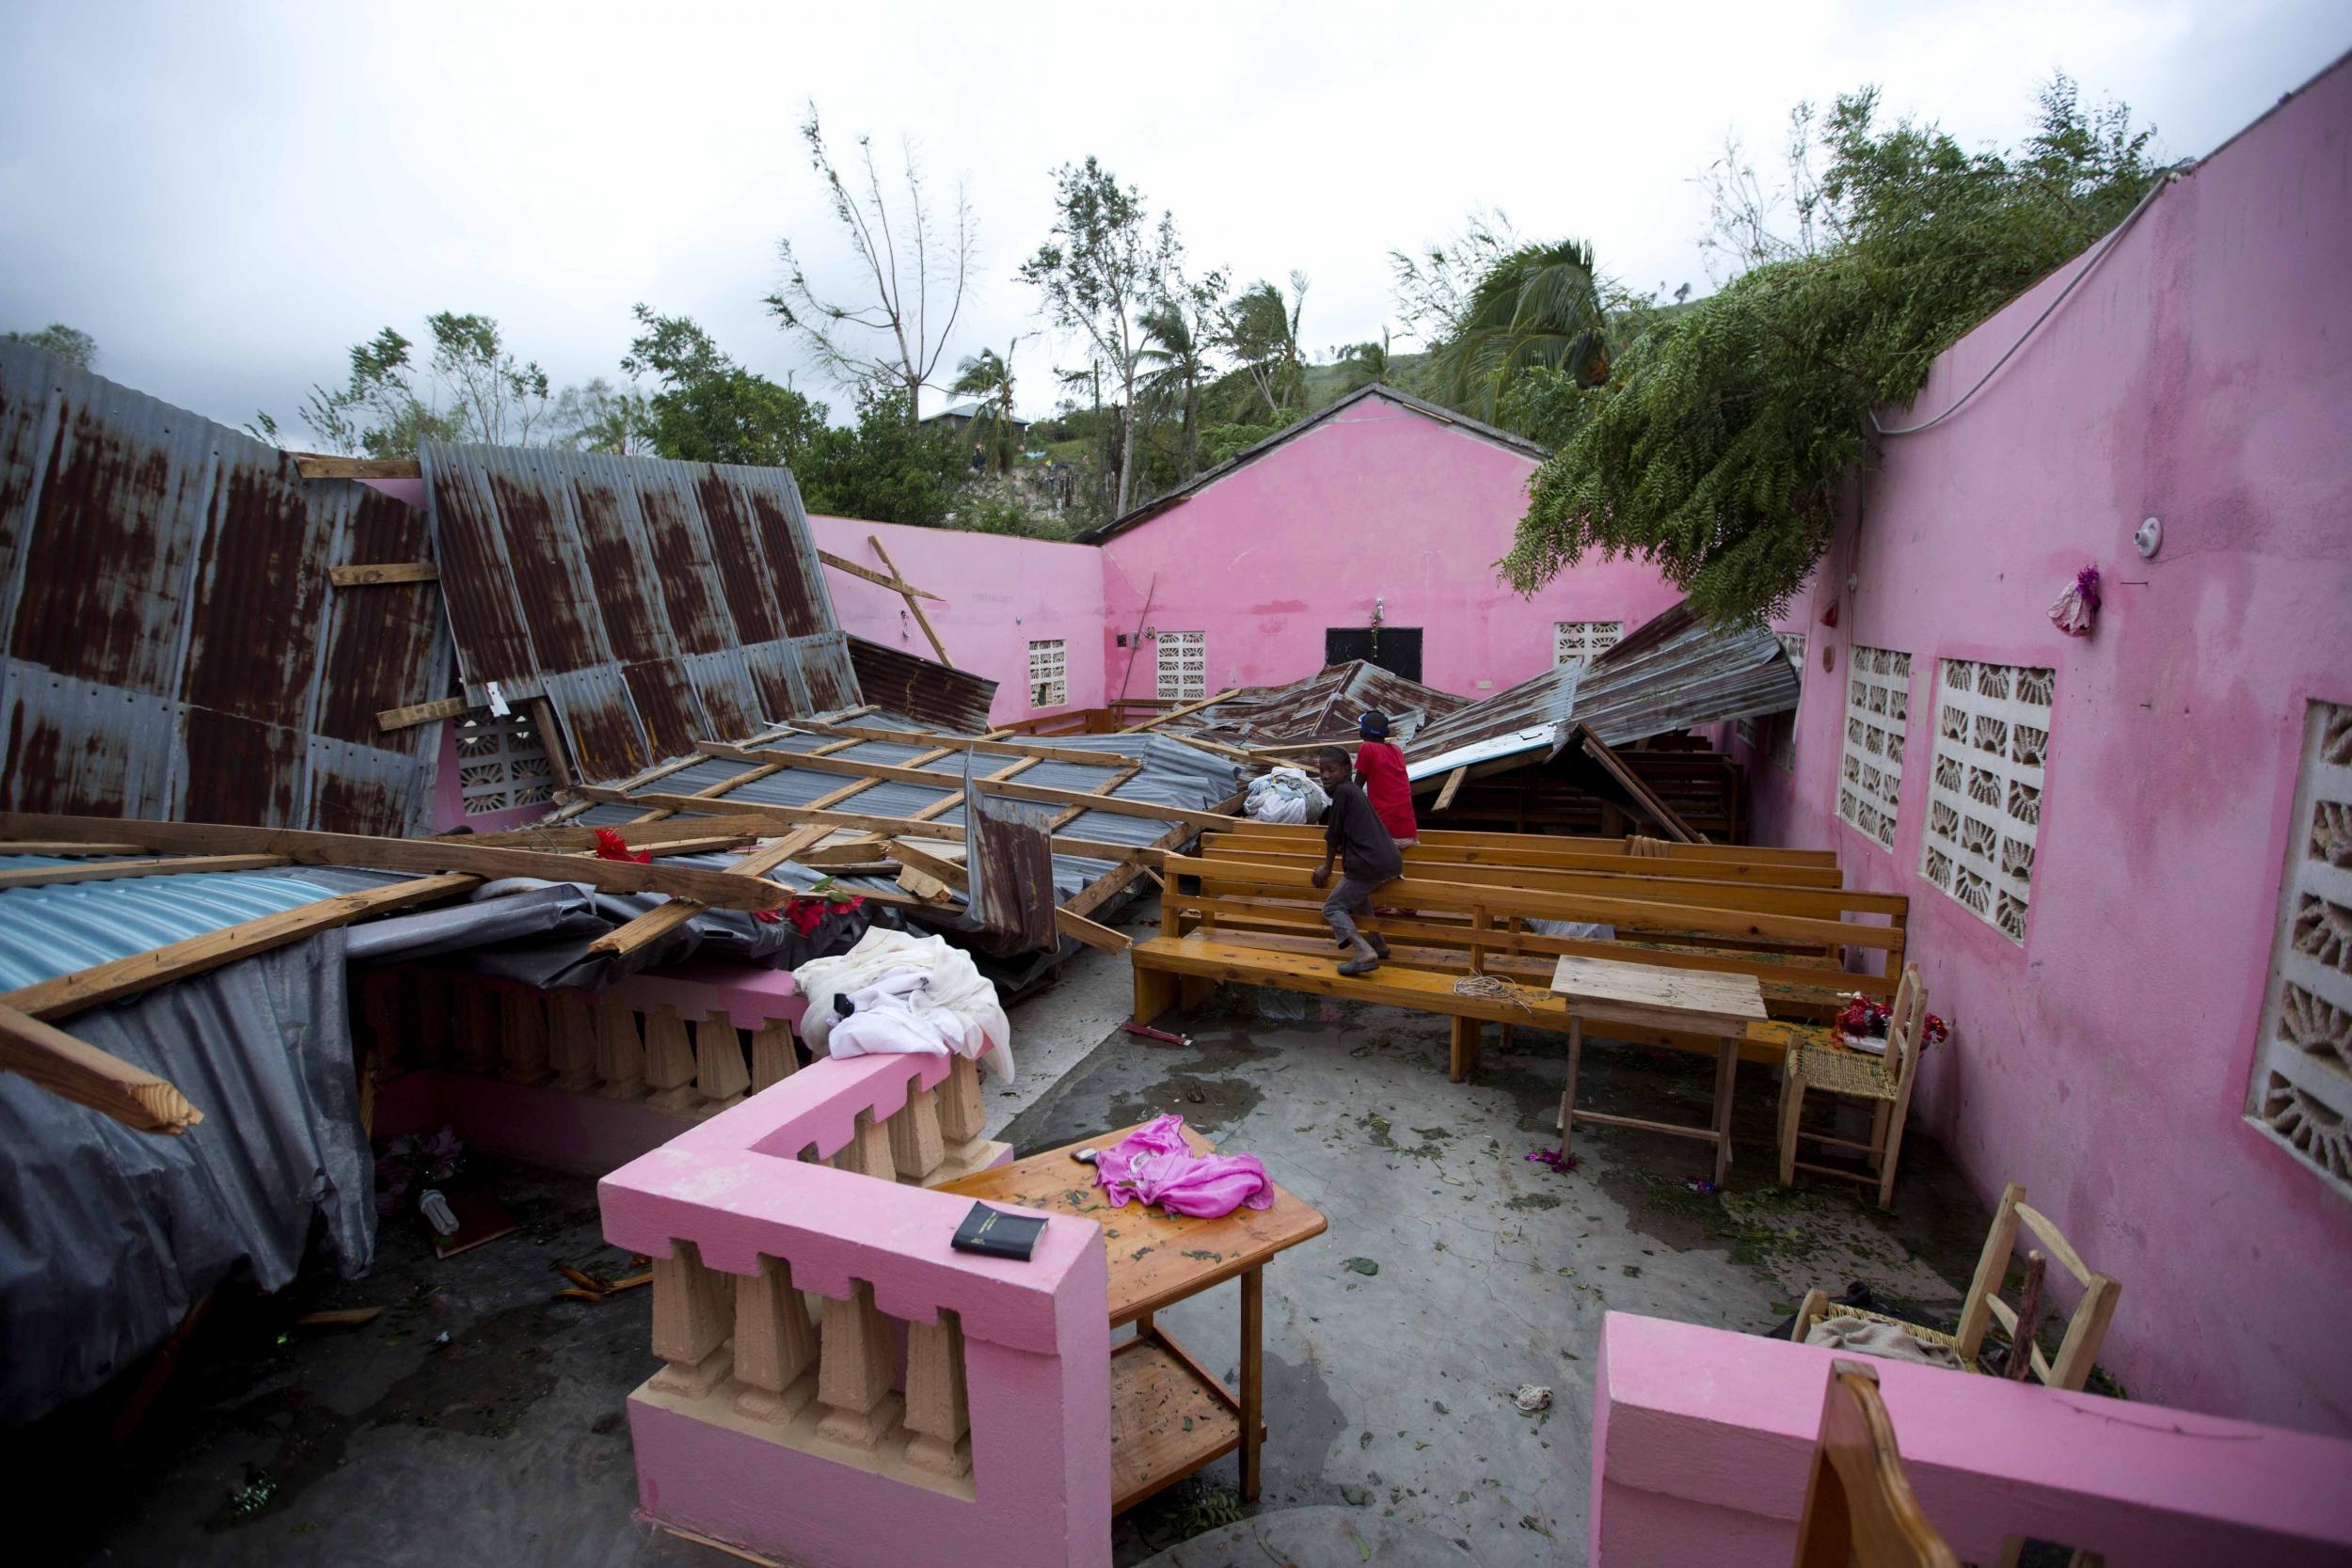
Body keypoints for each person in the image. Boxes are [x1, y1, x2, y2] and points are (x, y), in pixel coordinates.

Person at [1311, 745, 1401, 975]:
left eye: (1331, 770)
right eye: (1322, 770)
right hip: (1386, 860)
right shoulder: (1353, 791)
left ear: (1345, 770)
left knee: (1332, 908)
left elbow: (1333, 835)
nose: (1325, 775)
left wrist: (1326, 868)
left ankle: (1363, 952)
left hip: (1368, 863)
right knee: (1358, 897)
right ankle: (1378, 944)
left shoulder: (1343, 792)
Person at [1353, 711, 1418, 847]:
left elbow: (1356, 788)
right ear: (1387, 734)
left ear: (1361, 734)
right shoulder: (1397, 750)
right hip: (1409, 832)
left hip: (1385, 835)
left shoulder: (1367, 748)